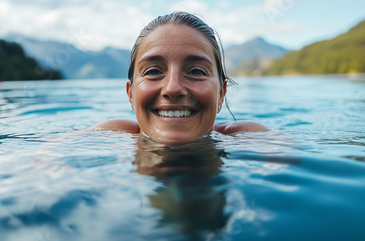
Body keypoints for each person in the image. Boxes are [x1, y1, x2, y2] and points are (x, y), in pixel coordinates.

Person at [90, 11, 268, 144]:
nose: (172, 88)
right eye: (152, 71)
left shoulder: (251, 139)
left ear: (221, 93)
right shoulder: (109, 135)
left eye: (197, 72)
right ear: (131, 94)